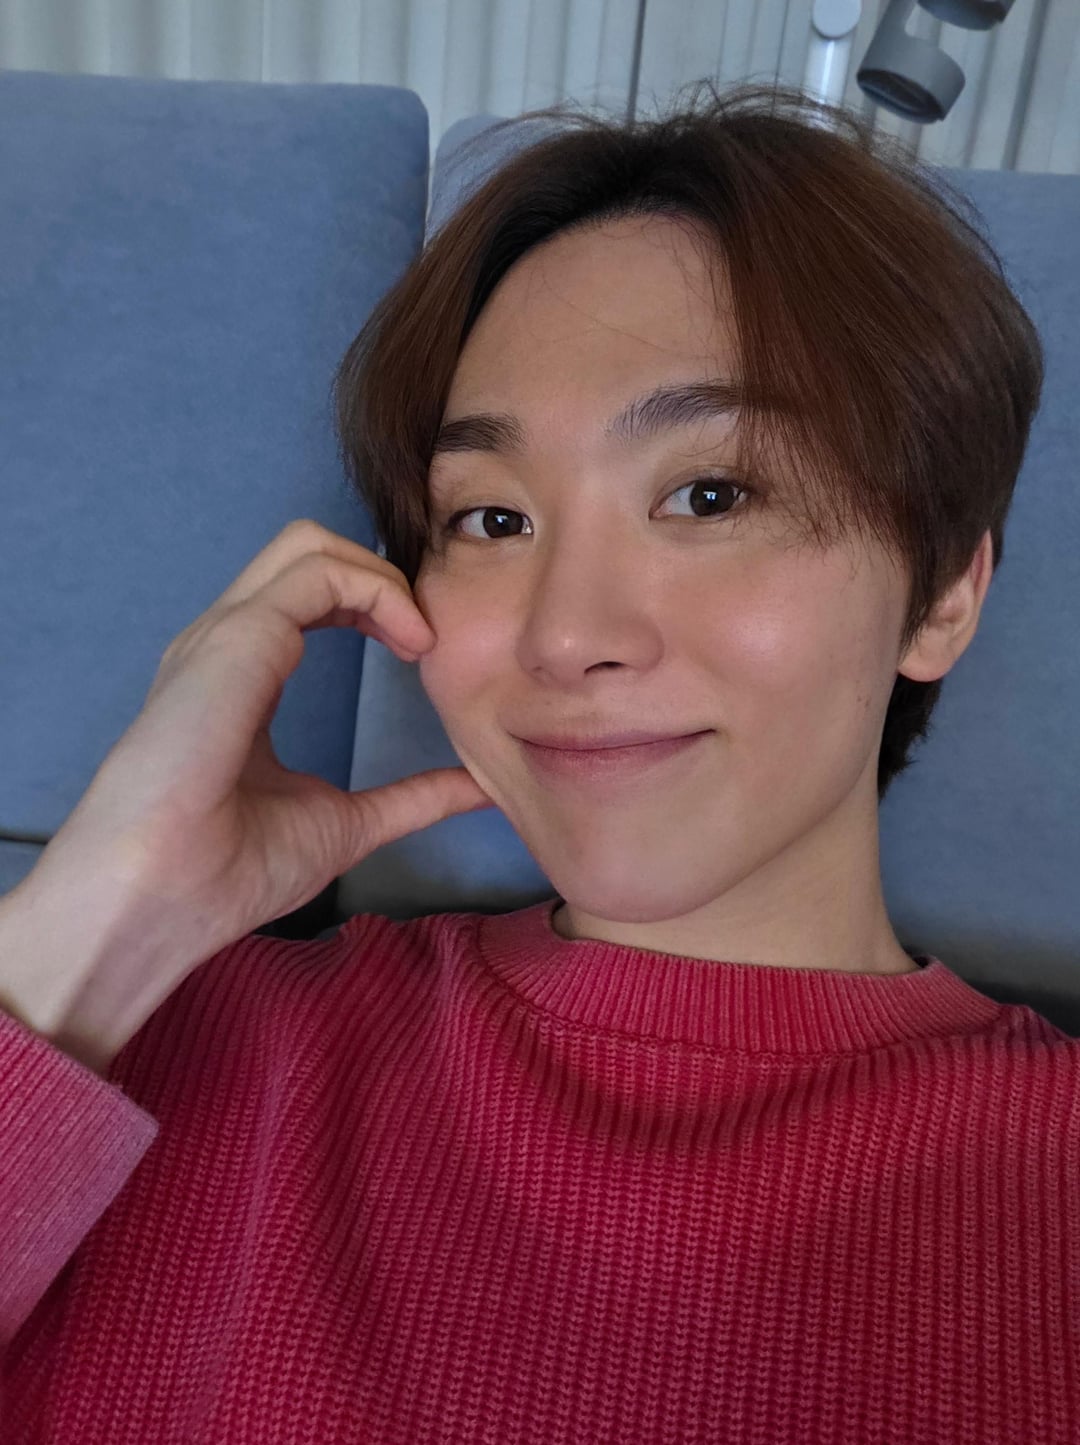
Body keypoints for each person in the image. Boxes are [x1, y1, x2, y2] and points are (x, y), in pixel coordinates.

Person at [2, 80, 1075, 1443]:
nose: (565, 635)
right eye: (492, 519)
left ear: (944, 596)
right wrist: (94, 924)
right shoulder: (137, 1047)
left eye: (710, 493)